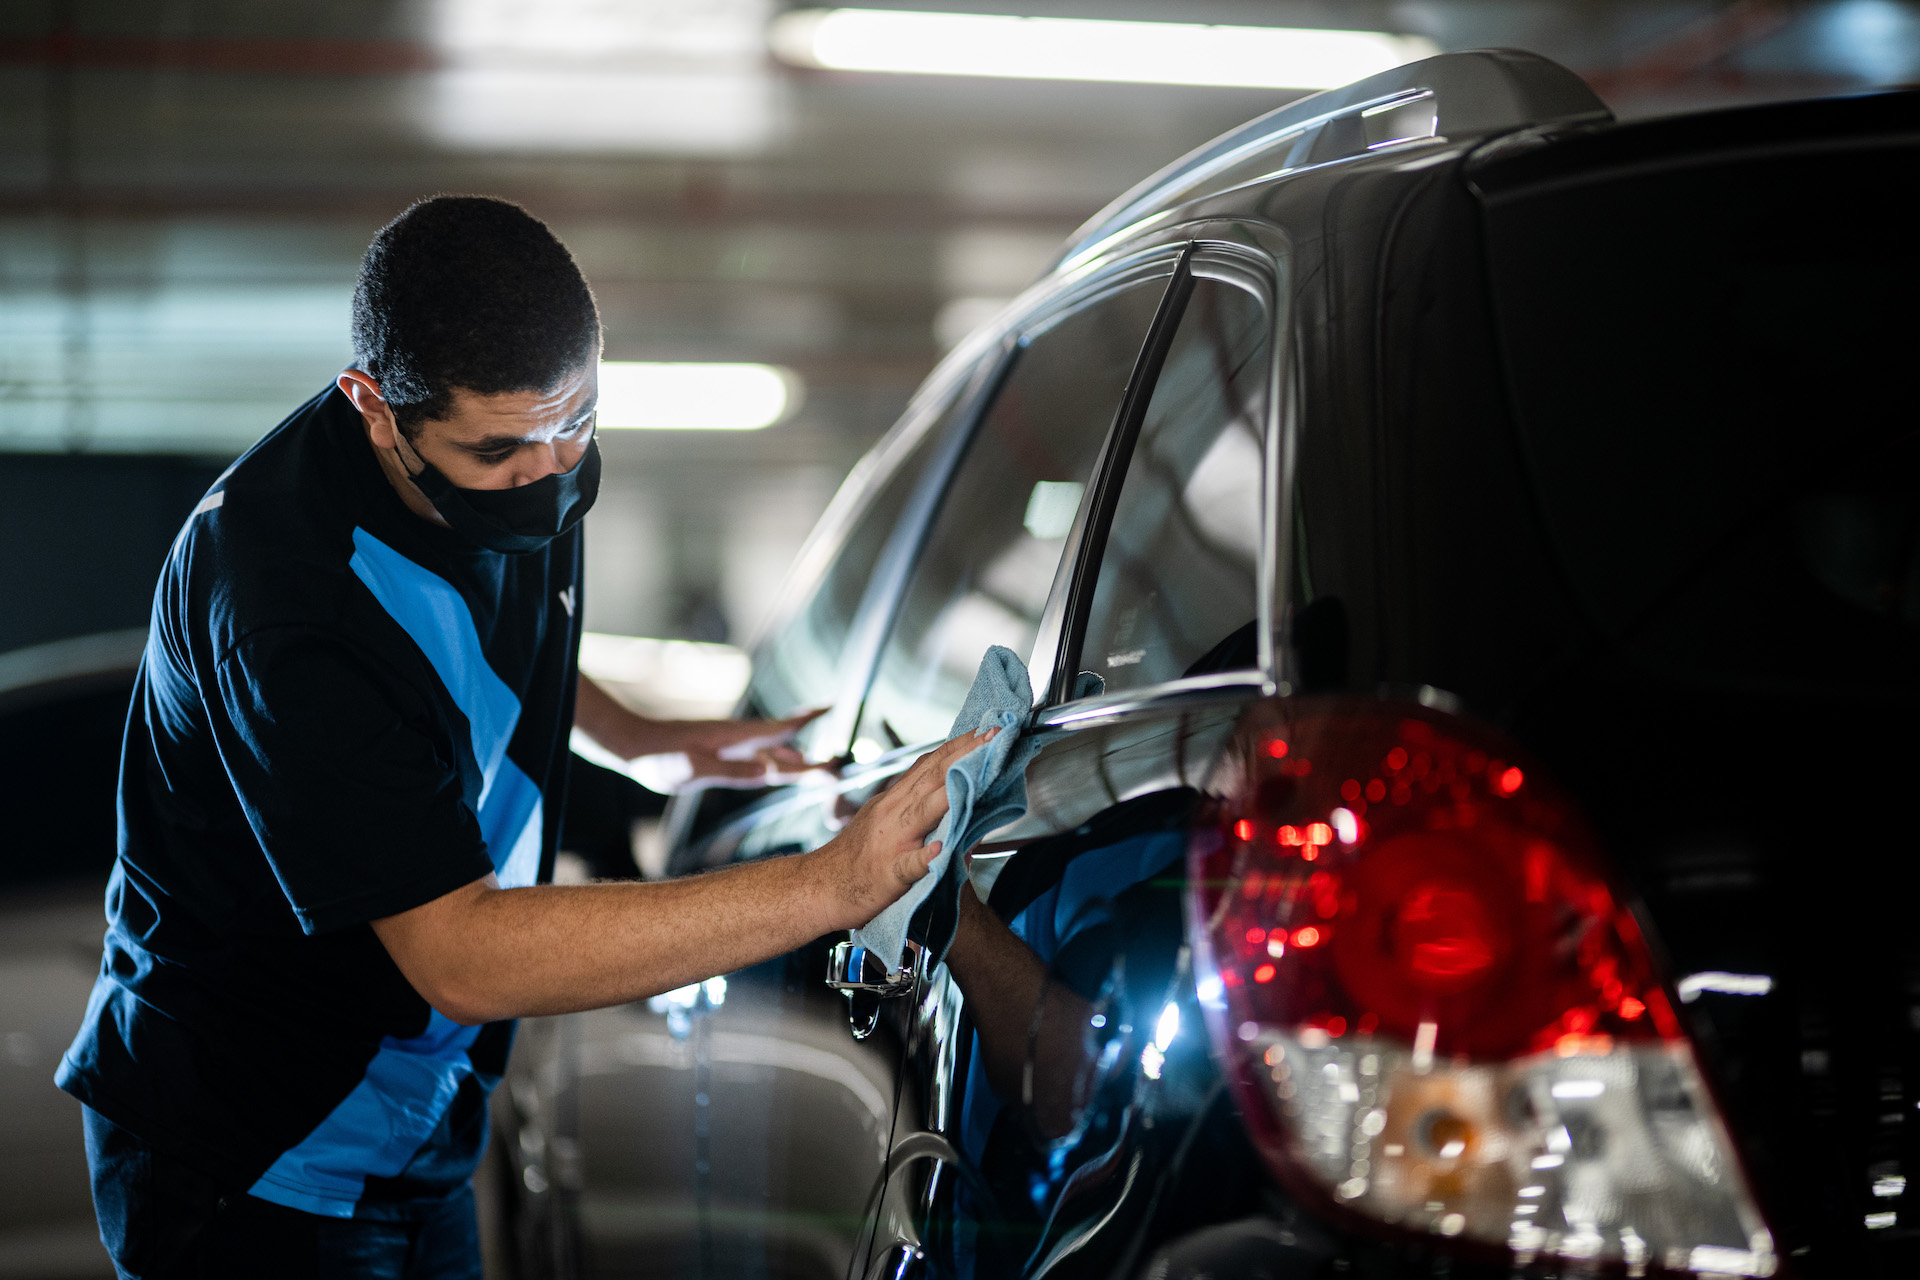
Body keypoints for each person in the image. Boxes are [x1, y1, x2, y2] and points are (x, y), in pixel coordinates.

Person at [55, 195, 984, 1279]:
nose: (547, 472)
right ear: (375, 407)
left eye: (575, 421)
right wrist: (831, 885)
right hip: (251, 1151)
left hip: (414, 1125)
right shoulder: (282, 594)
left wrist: (641, 735)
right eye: (500, 446)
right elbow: (461, 954)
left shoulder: (520, 459)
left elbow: (470, 644)